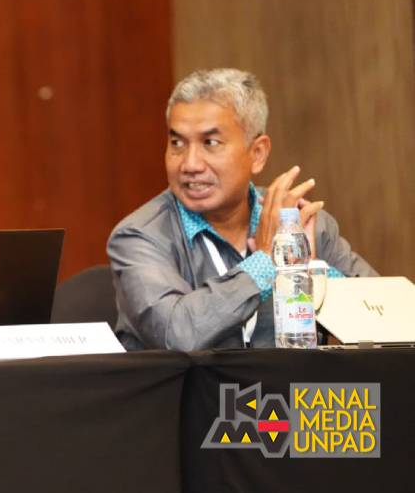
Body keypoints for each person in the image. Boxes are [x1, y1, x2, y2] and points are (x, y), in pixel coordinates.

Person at [107, 68, 376, 351]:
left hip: (287, 382)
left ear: (257, 153)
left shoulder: (303, 225)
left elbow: (389, 318)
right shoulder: (139, 236)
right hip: (192, 383)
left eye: (210, 143)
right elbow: (177, 334)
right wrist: (266, 261)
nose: (190, 164)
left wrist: (311, 272)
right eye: (177, 143)